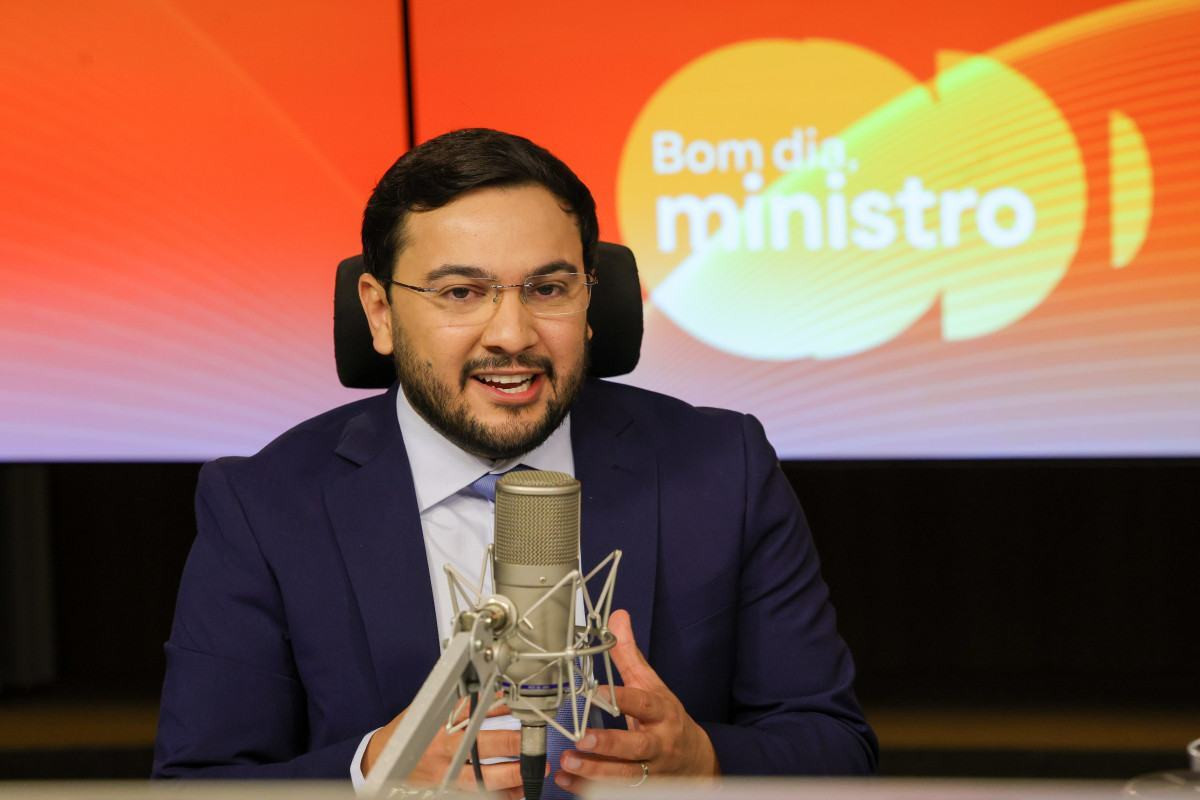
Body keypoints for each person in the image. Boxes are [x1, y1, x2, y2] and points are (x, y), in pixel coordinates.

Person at [152, 128, 878, 794]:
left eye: (548, 289)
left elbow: (835, 745)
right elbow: (198, 783)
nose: (512, 333)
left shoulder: (722, 469)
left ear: (592, 302)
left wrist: (704, 762)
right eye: (461, 292)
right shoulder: (265, 504)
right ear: (379, 312)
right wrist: (375, 769)